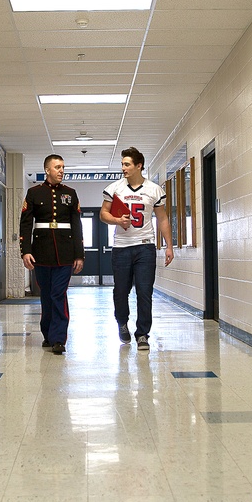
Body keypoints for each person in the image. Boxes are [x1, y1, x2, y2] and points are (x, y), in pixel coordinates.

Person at [101, 147, 174, 352]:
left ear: (138, 166)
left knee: (145, 291)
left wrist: (169, 246)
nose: (123, 168)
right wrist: (117, 220)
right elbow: (103, 214)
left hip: (145, 247)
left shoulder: (154, 190)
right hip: (121, 247)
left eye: (127, 164)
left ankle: (142, 334)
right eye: (122, 164)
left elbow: (163, 218)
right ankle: (122, 321)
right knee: (121, 290)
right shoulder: (115, 188)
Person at [19, 154, 84, 355]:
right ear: (47, 170)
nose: (61, 170)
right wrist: (25, 251)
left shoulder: (70, 194)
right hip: (41, 252)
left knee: (58, 294)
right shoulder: (34, 193)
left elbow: (77, 225)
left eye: (63, 167)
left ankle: (58, 339)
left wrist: (79, 254)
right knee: (46, 296)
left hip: (65, 253)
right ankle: (47, 333)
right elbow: (26, 223)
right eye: (57, 167)